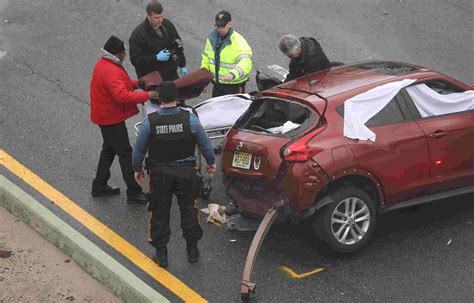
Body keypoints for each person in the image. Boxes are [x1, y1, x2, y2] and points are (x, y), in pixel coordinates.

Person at [132, 81, 216, 268]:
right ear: (178, 98)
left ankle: (162, 254)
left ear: (159, 99)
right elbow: (205, 145)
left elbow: (138, 150)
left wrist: (137, 169)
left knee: (159, 212)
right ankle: (192, 251)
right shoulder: (190, 120)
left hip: (159, 174)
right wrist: (210, 163)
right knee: (189, 209)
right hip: (186, 172)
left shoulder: (150, 122)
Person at [90, 35, 158, 204]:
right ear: (117, 53)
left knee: (109, 149)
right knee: (126, 154)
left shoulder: (105, 64)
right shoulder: (111, 70)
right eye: (123, 53)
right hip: (110, 118)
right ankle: (134, 192)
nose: (125, 55)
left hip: (104, 116)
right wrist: (147, 95)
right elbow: (121, 95)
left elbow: (122, 84)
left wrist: (137, 84)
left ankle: (99, 185)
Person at [129, 1, 188, 80]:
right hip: (152, 77)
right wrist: (156, 57)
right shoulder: (138, 35)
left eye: (161, 16)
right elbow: (136, 60)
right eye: (156, 17)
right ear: (148, 16)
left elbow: (178, 44)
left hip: (170, 72)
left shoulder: (167, 25)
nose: (160, 20)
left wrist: (182, 65)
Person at [201, 10, 253, 97]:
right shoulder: (211, 39)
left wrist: (232, 74)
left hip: (234, 87)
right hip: (217, 86)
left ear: (230, 24)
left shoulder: (238, 41)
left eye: (223, 26)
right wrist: (203, 80)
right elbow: (206, 60)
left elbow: (246, 63)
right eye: (218, 26)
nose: (220, 29)